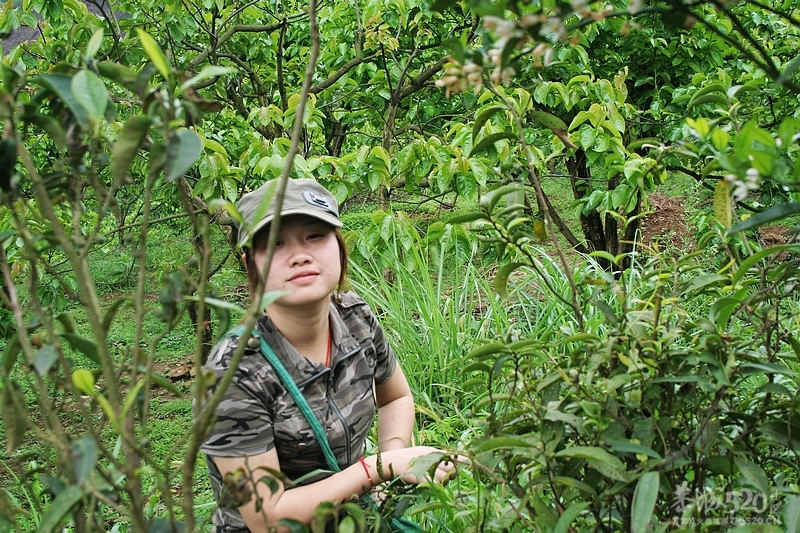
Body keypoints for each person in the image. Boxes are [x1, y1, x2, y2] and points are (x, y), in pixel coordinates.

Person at [199, 178, 456, 532]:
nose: (300, 254)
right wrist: (375, 469)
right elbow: (269, 518)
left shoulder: (356, 317)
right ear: (250, 264)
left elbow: (395, 397)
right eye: (275, 244)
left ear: (339, 246)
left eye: (314, 236)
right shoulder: (233, 372)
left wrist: (390, 463)